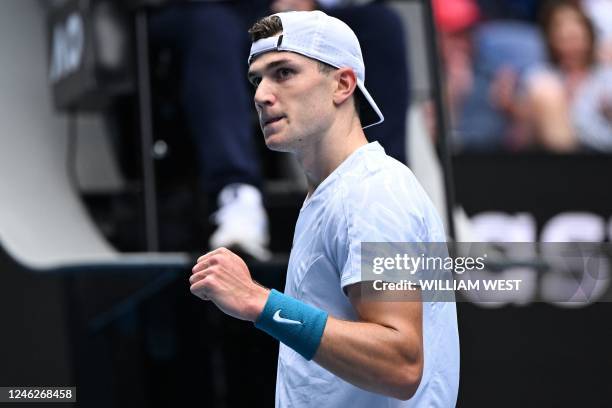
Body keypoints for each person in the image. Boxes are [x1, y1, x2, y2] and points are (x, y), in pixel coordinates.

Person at [189, 10, 459, 407]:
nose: (262, 94)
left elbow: (400, 364)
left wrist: (260, 302)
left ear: (343, 84)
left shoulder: (373, 193)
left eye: (283, 73)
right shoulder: (335, 193)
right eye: (256, 78)